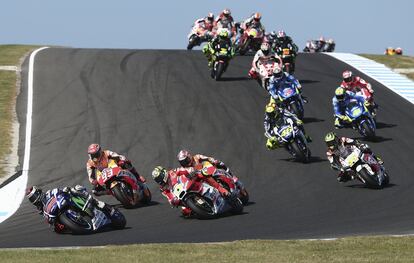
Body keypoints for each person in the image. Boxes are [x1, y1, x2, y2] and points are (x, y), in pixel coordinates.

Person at [26, 185, 115, 233]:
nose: (34, 199)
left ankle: (98, 203)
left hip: (66, 201)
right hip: (59, 215)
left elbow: (58, 191)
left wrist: (64, 190)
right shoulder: (41, 210)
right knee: (57, 230)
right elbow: (48, 220)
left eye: (34, 196)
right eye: (32, 199)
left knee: (75, 189)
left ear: (39, 193)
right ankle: (77, 225)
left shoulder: (49, 193)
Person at [151, 166, 229, 217]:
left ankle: (221, 189)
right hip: (182, 195)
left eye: (159, 177)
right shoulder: (163, 188)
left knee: (203, 173)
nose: (160, 180)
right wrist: (173, 201)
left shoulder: (172, 172)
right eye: (157, 180)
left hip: (190, 182)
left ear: (163, 173)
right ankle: (202, 208)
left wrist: (190, 172)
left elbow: (183, 170)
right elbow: (169, 197)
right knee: (185, 212)